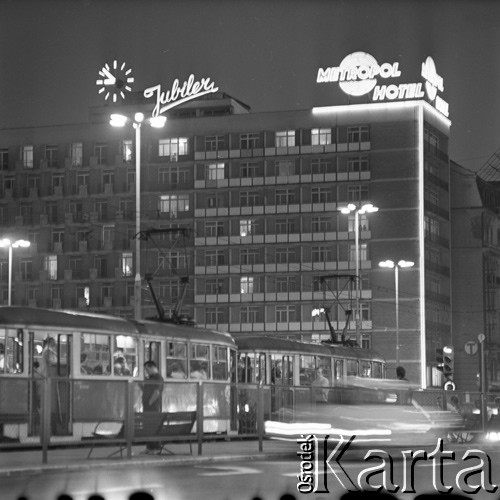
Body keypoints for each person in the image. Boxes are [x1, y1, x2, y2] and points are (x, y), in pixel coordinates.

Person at [141, 361, 164, 454]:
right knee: (148, 427)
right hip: (147, 406)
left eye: (147, 369)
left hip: (153, 407)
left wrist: (149, 403)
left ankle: (155, 448)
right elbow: (147, 390)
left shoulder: (158, 377)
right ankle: (149, 448)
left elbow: (157, 392)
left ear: (152, 367)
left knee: (153, 427)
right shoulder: (150, 378)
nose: (146, 371)